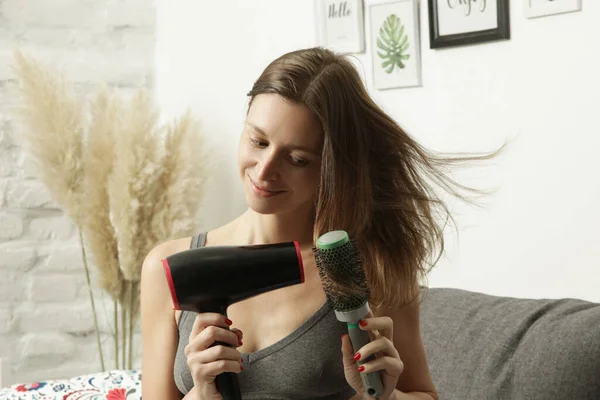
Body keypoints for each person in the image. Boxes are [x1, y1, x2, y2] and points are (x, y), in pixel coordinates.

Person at [141, 46, 492, 400]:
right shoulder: (167, 268)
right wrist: (199, 395)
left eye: (297, 159)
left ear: (331, 167)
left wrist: (386, 397)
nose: (264, 170)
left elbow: (423, 395)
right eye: (258, 140)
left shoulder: (368, 268)